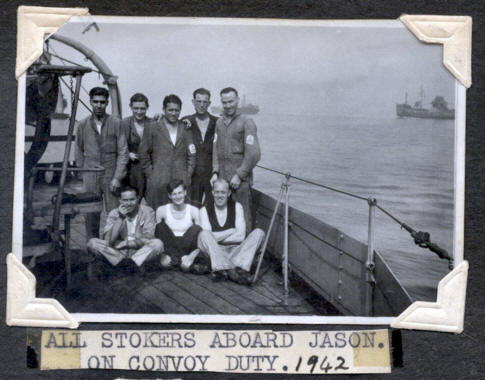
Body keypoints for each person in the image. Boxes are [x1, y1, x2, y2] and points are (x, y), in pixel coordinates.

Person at [190, 179, 265, 285]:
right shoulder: (204, 211)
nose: (219, 196)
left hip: (236, 251)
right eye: (217, 192)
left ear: (229, 193)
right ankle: (236, 271)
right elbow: (208, 237)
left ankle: (225, 268)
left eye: (223, 192)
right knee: (204, 234)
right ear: (212, 193)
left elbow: (240, 237)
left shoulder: (237, 207)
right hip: (216, 252)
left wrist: (217, 237)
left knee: (259, 233)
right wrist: (230, 231)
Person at [75, 87, 129, 237]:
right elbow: (78, 150)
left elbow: (123, 151)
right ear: (91, 101)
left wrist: (117, 177)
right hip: (90, 173)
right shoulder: (83, 124)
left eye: (102, 102)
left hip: (110, 173)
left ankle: (115, 244)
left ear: (107, 103)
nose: (99, 105)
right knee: (90, 211)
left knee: (115, 212)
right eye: (96, 102)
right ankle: (92, 246)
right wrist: (81, 173)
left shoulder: (116, 123)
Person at [210, 87, 261, 234]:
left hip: (240, 182)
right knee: (224, 217)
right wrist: (215, 171)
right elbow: (215, 149)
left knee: (244, 218)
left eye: (231, 101)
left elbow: (254, 154)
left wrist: (239, 175)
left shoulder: (247, 122)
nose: (228, 105)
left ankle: (248, 253)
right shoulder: (219, 123)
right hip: (222, 181)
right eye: (224, 102)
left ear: (237, 100)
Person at [86, 186, 163, 272]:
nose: (129, 203)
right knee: (92, 243)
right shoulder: (114, 213)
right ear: (120, 200)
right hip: (118, 252)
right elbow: (109, 240)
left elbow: (149, 237)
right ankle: (128, 264)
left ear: (137, 198)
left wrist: (126, 243)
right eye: (125, 200)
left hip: (138, 251)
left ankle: (127, 264)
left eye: (132, 199)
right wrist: (120, 218)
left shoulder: (147, 211)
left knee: (158, 244)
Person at [139, 94, 196, 209]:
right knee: (158, 214)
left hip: (181, 181)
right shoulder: (152, 127)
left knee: (179, 215)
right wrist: (151, 175)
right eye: (170, 110)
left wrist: (187, 174)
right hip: (159, 180)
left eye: (176, 110)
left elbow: (192, 154)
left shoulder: (186, 128)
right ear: (163, 109)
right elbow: (144, 154)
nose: (173, 113)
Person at [181, 88, 218, 207]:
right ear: (193, 102)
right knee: (192, 208)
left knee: (213, 208)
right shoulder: (185, 122)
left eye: (205, 102)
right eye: (198, 101)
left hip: (212, 174)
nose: (202, 105)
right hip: (193, 175)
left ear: (209, 103)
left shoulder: (217, 122)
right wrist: (159, 117)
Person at [155, 179, 203, 270]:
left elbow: (199, 237)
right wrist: (163, 255)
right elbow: (158, 237)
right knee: (160, 227)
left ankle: (175, 260)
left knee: (197, 228)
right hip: (169, 245)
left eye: (180, 193)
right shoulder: (161, 210)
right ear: (169, 196)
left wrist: (192, 255)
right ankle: (181, 260)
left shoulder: (193, 210)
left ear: (185, 192)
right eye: (174, 194)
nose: (178, 197)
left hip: (187, 246)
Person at [121, 93, 151, 199]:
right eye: (136, 108)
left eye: (142, 108)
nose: (139, 111)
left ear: (147, 107)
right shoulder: (124, 123)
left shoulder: (152, 123)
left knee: (151, 199)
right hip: (132, 168)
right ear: (130, 107)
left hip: (149, 167)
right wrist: (128, 154)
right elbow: (117, 145)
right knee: (133, 198)